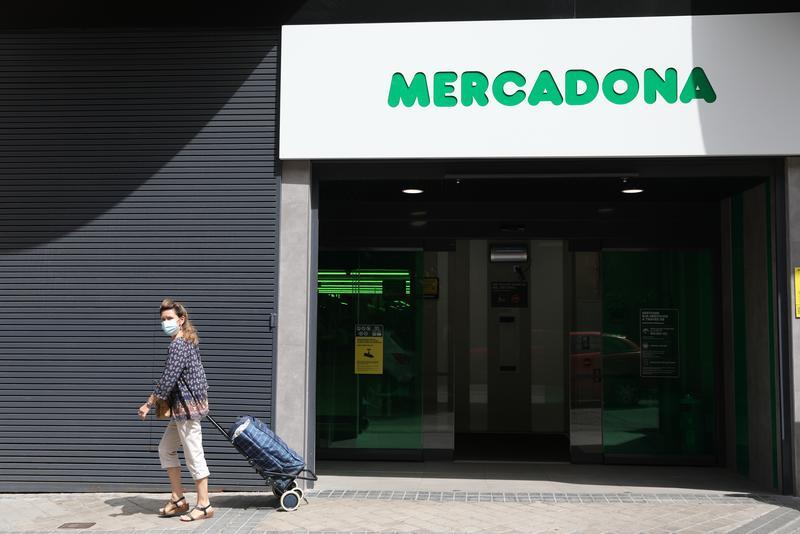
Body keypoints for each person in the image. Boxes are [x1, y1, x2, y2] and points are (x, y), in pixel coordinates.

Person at [138, 299, 214, 521]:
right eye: (162, 319)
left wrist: (148, 404)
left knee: (194, 455)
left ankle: (204, 505)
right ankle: (178, 499)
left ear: (181, 320)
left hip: (188, 411)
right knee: (166, 449)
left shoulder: (179, 345)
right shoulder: (186, 341)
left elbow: (168, 379)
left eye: (169, 318)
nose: (165, 323)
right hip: (182, 410)